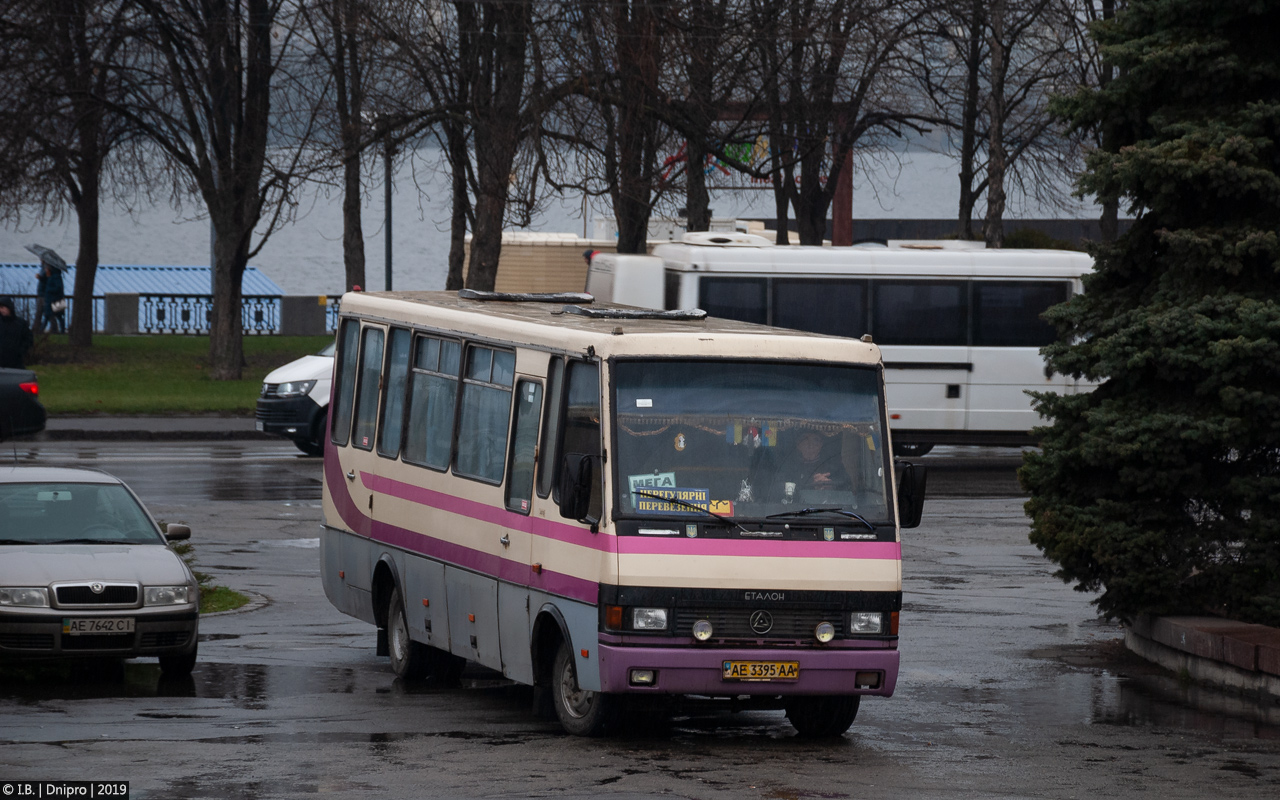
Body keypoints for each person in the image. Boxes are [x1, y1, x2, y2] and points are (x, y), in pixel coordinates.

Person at [0, 296, 35, 369]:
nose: (1, 310)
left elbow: (28, 339)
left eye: (3, 307)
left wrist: (21, 351)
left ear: (9, 307)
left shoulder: (21, 324)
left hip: (16, 361)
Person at [38, 262, 66, 333]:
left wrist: (49, 290)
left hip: (55, 299)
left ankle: (41, 331)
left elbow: (58, 288)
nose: (46, 269)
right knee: (50, 316)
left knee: (57, 316)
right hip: (53, 299)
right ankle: (41, 331)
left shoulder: (56, 277)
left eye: (47, 268)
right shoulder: (52, 276)